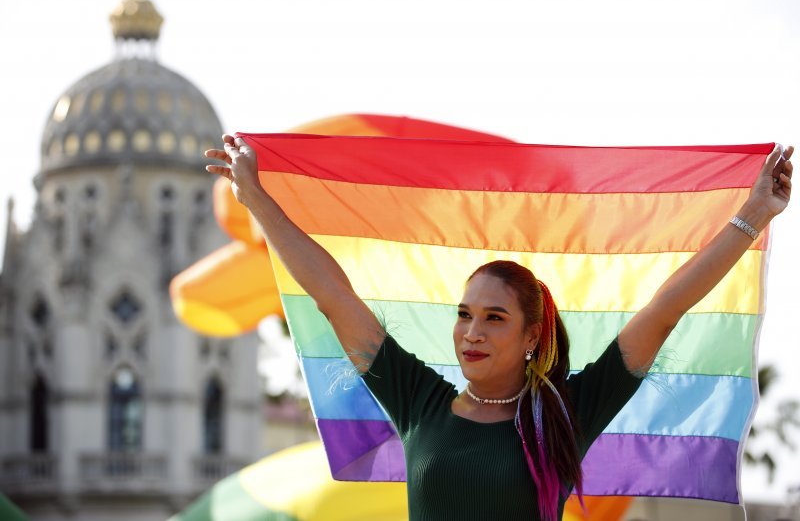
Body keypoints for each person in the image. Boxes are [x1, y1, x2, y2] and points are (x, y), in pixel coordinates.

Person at [206, 135, 793, 521]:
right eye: (464, 315)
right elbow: (333, 296)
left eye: (493, 318)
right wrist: (256, 199)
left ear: (532, 335)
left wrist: (754, 214)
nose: (471, 333)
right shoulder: (419, 402)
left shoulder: (568, 413)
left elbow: (664, 310)